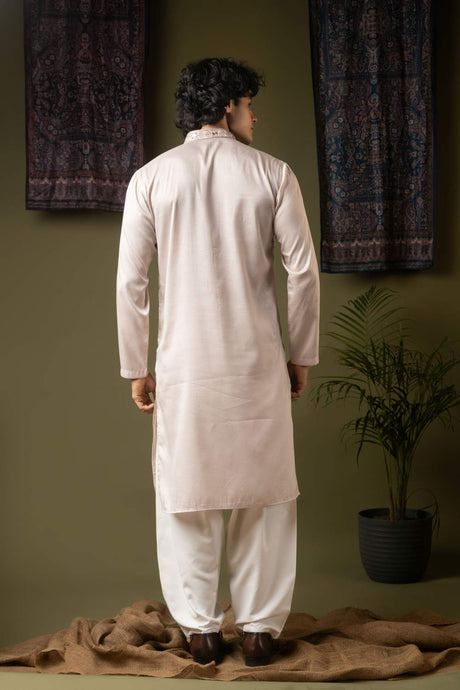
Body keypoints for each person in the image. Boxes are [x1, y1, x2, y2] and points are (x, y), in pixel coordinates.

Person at [116, 57, 320, 666]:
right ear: (228, 105)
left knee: (188, 494)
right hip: (257, 362)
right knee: (265, 495)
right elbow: (303, 273)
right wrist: (301, 354)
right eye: (250, 105)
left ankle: (200, 631)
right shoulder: (273, 174)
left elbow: (131, 282)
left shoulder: (151, 178)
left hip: (184, 364)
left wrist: (136, 366)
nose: (255, 117)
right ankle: (259, 632)